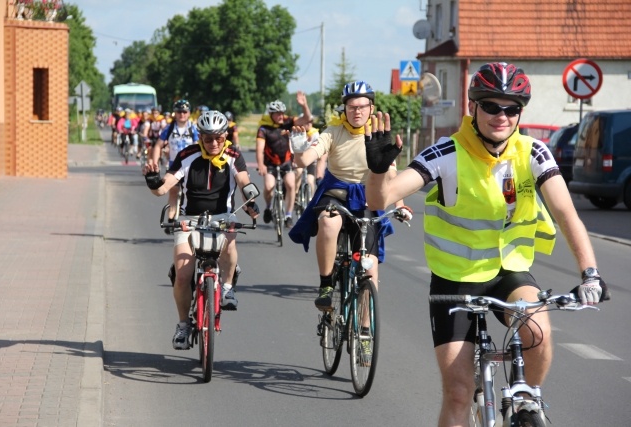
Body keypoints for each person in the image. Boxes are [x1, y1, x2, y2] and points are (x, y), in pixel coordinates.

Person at [363, 62, 611, 426]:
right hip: (455, 280)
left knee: (537, 332)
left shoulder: (533, 153)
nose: (502, 115)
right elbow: (380, 200)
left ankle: (528, 400)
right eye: (492, 106)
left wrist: (590, 274)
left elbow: (567, 214)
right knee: (459, 392)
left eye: (512, 108)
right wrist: (379, 169)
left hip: (509, 271)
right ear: (473, 107)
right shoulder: (446, 154)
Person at [289, 80, 411, 312]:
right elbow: (305, 160)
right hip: (336, 194)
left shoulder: (379, 135)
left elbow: (391, 175)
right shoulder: (333, 132)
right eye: (352, 107)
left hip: (368, 198)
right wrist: (298, 150)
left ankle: (365, 331)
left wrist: (401, 205)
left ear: (371, 109)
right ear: (344, 109)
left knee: (371, 269)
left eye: (362, 106)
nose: (357, 111)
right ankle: (326, 285)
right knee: (328, 221)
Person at [142, 110, 260, 350]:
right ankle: (183, 325)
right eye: (208, 138)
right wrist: (154, 180)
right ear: (200, 137)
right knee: (183, 275)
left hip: (222, 217)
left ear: (225, 136)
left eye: (218, 138)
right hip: (189, 218)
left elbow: (244, 182)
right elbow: (164, 189)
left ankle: (227, 288)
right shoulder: (187, 155)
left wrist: (251, 203)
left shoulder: (233, 155)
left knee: (230, 240)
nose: (214, 143)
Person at [256, 92, 312, 229]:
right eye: (277, 114)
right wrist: (261, 165)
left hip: (286, 162)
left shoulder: (288, 122)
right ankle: (269, 207)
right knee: (269, 187)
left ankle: (287, 215)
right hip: (270, 163)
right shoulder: (264, 129)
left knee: (291, 185)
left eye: (282, 113)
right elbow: (259, 149)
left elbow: (307, 119)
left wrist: (304, 105)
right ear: (271, 115)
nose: (281, 116)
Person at [147, 99, 199, 223]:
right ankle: (171, 218)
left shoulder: (193, 128)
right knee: (173, 192)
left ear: (189, 113)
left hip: (190, 168)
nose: (182, 114)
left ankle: (190, 218)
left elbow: (198, 146)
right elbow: (158, 146)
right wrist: (155, 163)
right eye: (179, 111)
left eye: (185, 112)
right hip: (174, 166)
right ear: (175, 113)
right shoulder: (169, 128)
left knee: (191, 193)